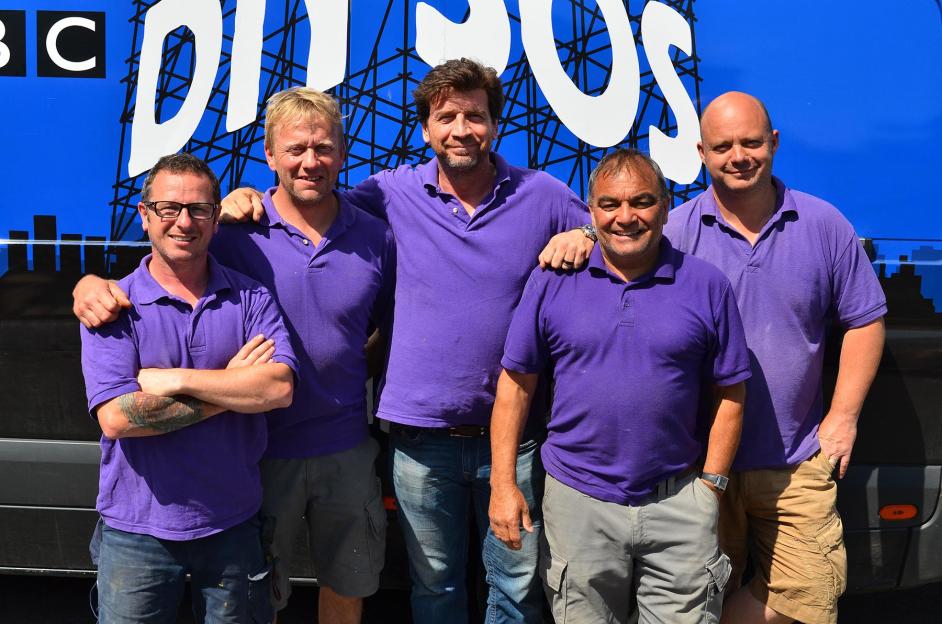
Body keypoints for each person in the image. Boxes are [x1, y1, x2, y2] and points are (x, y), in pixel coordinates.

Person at [223, 58, 596, 623]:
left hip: (514, 439)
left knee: (517, 590)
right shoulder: (388, 195)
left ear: (495, 123)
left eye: (474, 115)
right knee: (435, 589)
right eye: (446, 116)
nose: (461, 129)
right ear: (426, 128)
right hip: (420, 441)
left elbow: (619, 224)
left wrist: (586, 232)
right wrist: (241, 195)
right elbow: (306, 198)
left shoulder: (541, 194)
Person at [74, 89, 396, 624]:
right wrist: (89, 284)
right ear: (269, 155)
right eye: (294, 149)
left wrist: (175, 380)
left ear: (343, 153)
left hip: (344, 447)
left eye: (323, 148)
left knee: (347, 584)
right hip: (260, 458)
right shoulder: (235, 231)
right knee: (264, 599)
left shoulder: (374, 237)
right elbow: (170, 257)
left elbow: (388, 328)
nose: (309, 161)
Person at [489, 148, 751, 623]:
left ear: (666, 207)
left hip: (678, 501)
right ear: (590, 212)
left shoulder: (707, 286)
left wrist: (710, 487)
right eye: (609, 204)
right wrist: (503, 484)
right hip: (578, 501)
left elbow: (730, 393)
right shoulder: (551, 280)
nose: (625, 217)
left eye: (642, 202)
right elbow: (515, 386)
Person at [664, 91, 887, 624]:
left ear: (774, 143)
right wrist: (580, 234)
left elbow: (865, 319)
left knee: (808, 600)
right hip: (698, 466)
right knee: (691, 598)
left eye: (751, 142)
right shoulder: (675, 232)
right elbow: (614, 247)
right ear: (701, 152)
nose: (738, 156)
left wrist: (843, 418)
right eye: (723, 146)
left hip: (795, 464)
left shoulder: (822, 224)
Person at [79, 152, 297, 623]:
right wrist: (232, 390)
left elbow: (278, 388)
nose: (184, 222)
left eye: (199, 209)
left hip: (232, 522)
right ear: (144, 215)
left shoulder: (251, 298)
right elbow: (117, 417)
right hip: (136, 530)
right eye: (168, 208)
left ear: (216, 219)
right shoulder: (113, 306)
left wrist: (178, 381)